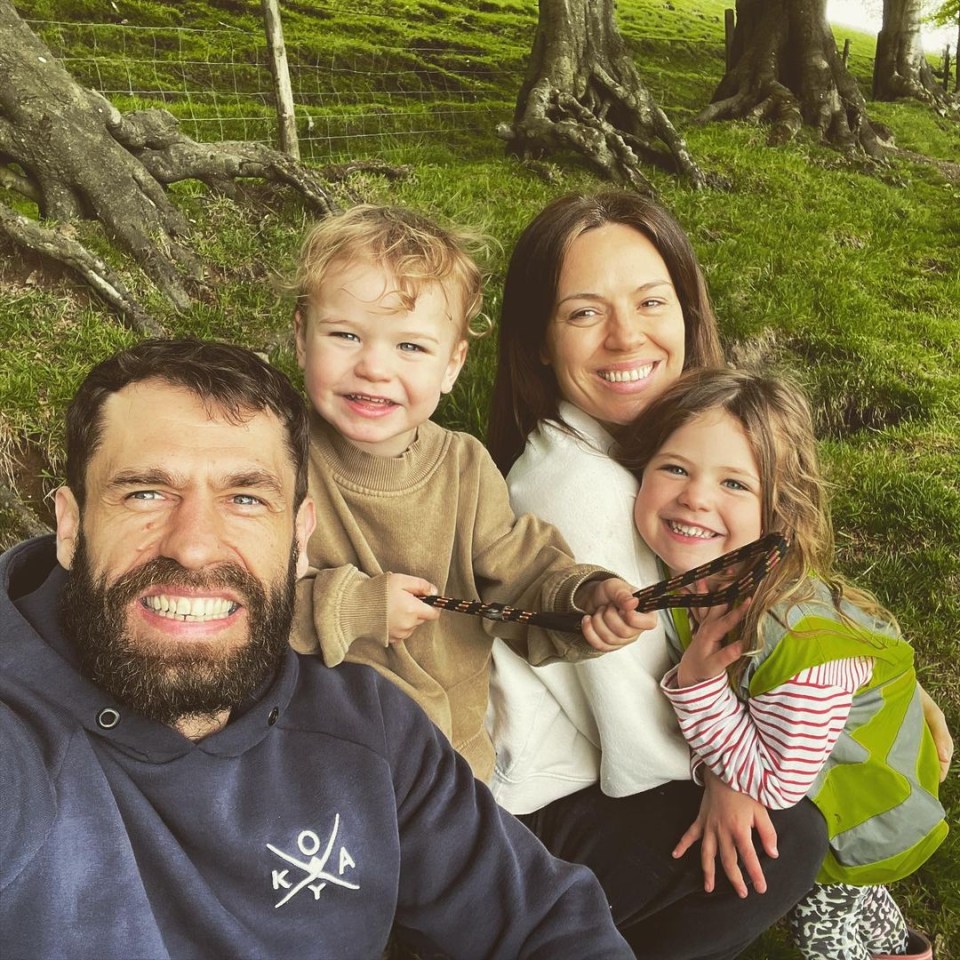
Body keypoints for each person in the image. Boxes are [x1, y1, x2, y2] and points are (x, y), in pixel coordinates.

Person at [0, 337, 637, 960]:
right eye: (146, 493)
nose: (193, 546)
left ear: (300, 536)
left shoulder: (369, 728)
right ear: (71, 525)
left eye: (245, 498)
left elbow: (544, 922)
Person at [484, 191, 953, 958]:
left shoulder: (670, 448)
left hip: (620, 761)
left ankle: (875, 935)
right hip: (537, 808)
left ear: (688, 310)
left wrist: (876, 683)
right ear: (538, 338)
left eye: (649, 301)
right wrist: (753, 769)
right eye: (582, 313)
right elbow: (645, 748)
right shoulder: (581, 496)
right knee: (785, 832)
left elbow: (768, 589)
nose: (625, 336)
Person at [288, 204, 654, 782]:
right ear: (302, 338)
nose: (374, 367)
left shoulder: (463, 466)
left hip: (456, 761)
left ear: (453, 364)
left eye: (411, 347)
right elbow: (249, 604)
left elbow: (521, 574)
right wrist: (354, 606)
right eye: (345, 335)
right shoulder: (279, 464)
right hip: (322, 760)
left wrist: (582, 600)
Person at [619, 366, 945, 960]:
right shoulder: (710, 578)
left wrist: (697, 688)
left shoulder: (794, 646)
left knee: (822, 925)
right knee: (860, 905)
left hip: (852, 808)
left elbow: (776, 783)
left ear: (780, 511)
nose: (696, 496)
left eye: (735, 485)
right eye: (675, 468)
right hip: (819, 777)